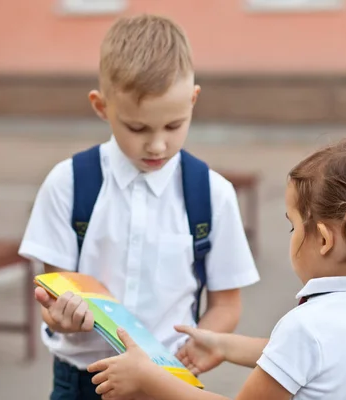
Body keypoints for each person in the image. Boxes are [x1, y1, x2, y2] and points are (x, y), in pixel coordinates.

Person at [18, 13, 260, 400]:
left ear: (193, 100)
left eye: (174, 125)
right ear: (101, 107)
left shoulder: (212, 194)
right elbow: (54, 300)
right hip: (83, 382)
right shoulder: (68, 184)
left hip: (168, 381)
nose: (158, 146)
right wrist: (63, 319)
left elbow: (227, 303)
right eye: (138, 128)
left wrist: (203, 342)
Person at [86, 138, 346, 400]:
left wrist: (148, 378)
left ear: (323, 239)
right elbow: (313, 359)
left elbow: (302, 349)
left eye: (293, 225)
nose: (290, 235)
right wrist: (226, 346)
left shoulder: (306, 326)